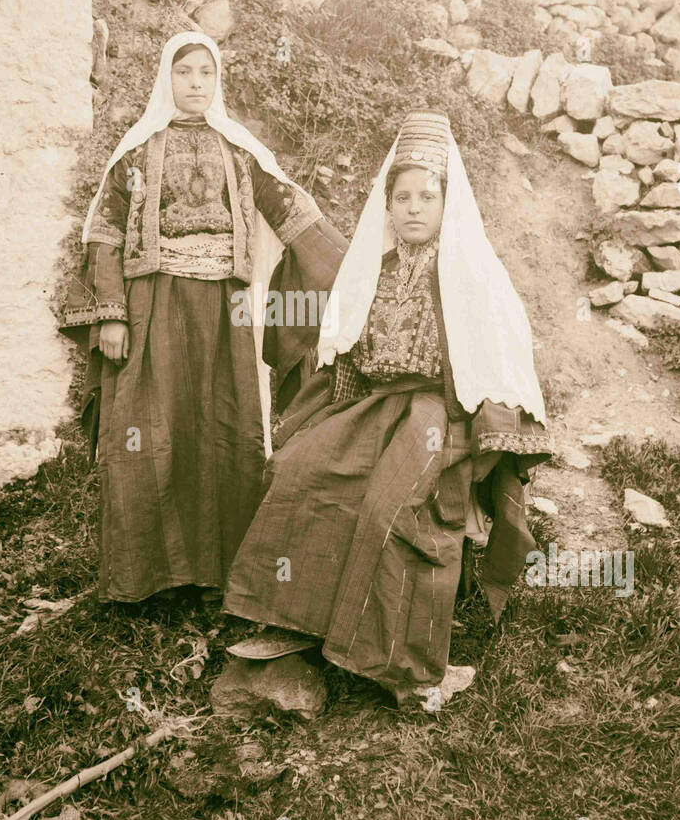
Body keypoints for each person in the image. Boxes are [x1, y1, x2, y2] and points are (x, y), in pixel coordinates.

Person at [223, 110, 553, 712]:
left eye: (428, 196)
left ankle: (403, 665)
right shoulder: (372, 268)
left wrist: (481, 433)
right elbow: (346, 347)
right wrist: (323, 420)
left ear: (447, 203)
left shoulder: (472, 274)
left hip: (440, 413)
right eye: (402, 196)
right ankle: (293, 621)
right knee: (302, 469)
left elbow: (496, 359)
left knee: (391, 505)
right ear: (387, 202)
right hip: (376, 402)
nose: (414, 208)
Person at [60, 31, 346, 604]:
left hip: (226, 309)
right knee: (149, 429)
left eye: (206, 73)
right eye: (184, 71)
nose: (195, 83)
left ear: (218, 82)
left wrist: (356, 275)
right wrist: (111, 316)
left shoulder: (239, 151)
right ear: (166, 78)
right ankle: (146, 577)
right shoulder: (136, 153)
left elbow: (292, 215)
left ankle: (221, 573)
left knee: (225, 427)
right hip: (152, 306)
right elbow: (105, 236)